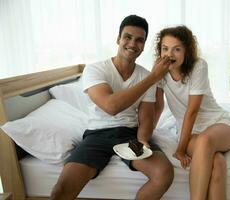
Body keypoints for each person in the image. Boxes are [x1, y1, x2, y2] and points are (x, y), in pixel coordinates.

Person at [50, 15, 174, 200]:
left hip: (130, 134)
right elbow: (111, 106)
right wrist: (152, 79)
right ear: (118, 39)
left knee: (164, 173)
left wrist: (143, 141)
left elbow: (146, 117)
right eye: (128, 37)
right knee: (61, 190)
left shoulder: (145, 75)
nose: (133, 43)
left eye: (139, 40)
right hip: (97, 135)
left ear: (143, 45)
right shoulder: (95, 69)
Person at [154, 25, 230, 200]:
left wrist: (180, 150)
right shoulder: (159, 71)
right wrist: (145, 136)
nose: (169, 54)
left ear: (186, 51)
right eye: (165, 48)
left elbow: (191, 112)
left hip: (217, 124)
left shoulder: (198, 66)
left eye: (176, 49)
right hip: (190, 133)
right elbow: (158, 106)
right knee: (218, 162)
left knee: (206, 139)